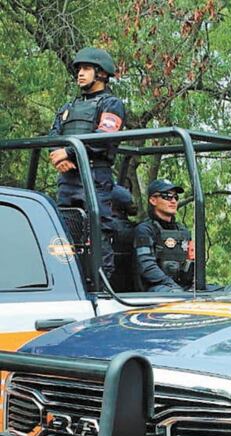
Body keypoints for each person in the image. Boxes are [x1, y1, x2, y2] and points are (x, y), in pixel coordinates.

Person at [48, 47, 126, 277]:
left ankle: (102, 289)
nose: (80, 74)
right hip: (68, 180)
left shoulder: (110, 104)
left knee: (98, 233)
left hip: (95, 179)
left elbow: (103, 138)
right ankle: (65, 282)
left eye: (86, 69)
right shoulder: (68, 107)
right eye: (79, 69)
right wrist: (59, 156)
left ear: (101, 73)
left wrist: (68, 153)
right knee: (62, 235)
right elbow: (53, 136)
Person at [133, 179, 193, 292]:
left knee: (225, 291)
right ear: (153, 200)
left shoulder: (182, 230)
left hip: (181, 288)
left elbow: (192, 261)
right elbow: (147, 266)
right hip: (155, 290)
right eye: (167, 196)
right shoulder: (144, 230)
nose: (173, 201)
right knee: (177, 295)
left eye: (176, 197)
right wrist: (173, 286)